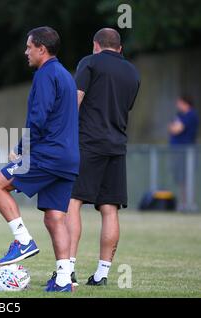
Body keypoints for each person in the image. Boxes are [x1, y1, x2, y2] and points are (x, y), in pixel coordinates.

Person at [0, 26, 80, 292]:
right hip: (69, 159)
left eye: (29, 47)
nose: (26, 52)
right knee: (54, 218)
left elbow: (39, 119)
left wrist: (21, 149)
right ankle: (63, 280)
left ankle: (23, 240)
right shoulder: (65, 75)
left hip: (48, 155)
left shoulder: (45, 74)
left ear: (42, 48)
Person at [66, 28, 140, 286]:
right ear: (119, 48)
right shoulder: (132, 71)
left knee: (72, 201)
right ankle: (102, 274)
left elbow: (75, 99)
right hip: (117, 145)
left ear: (95, 45)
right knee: (109, 209)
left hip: (88, 142)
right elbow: (125, 106)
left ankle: (68, 270)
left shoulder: (90, 62)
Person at [168, 95, 199, 210]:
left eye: (179, 102)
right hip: (178, 152)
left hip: (187, 153)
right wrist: (174, 127)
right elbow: (171, 127)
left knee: (188, 178)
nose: (177, 105)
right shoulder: (180, 115)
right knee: (180, 178)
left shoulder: (191, 115)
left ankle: (191, 203)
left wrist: (174, 127)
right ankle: (183, 203)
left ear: (185, 103)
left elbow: (177, 129)